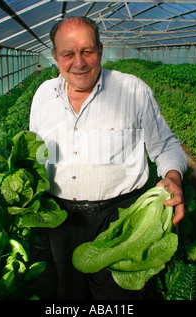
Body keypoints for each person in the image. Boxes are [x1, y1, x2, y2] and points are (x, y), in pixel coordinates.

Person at [29, 16, 187, 300]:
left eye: (87, 51)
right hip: (61, 219)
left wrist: (173, 176)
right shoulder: (42, 97)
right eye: (68, 54)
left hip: (120, 219)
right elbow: (36, 156)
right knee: (68, 294)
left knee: (116, 298)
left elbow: (165, 146)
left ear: (101, 50)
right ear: (54, 57)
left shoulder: (133, 91)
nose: (79, 62)